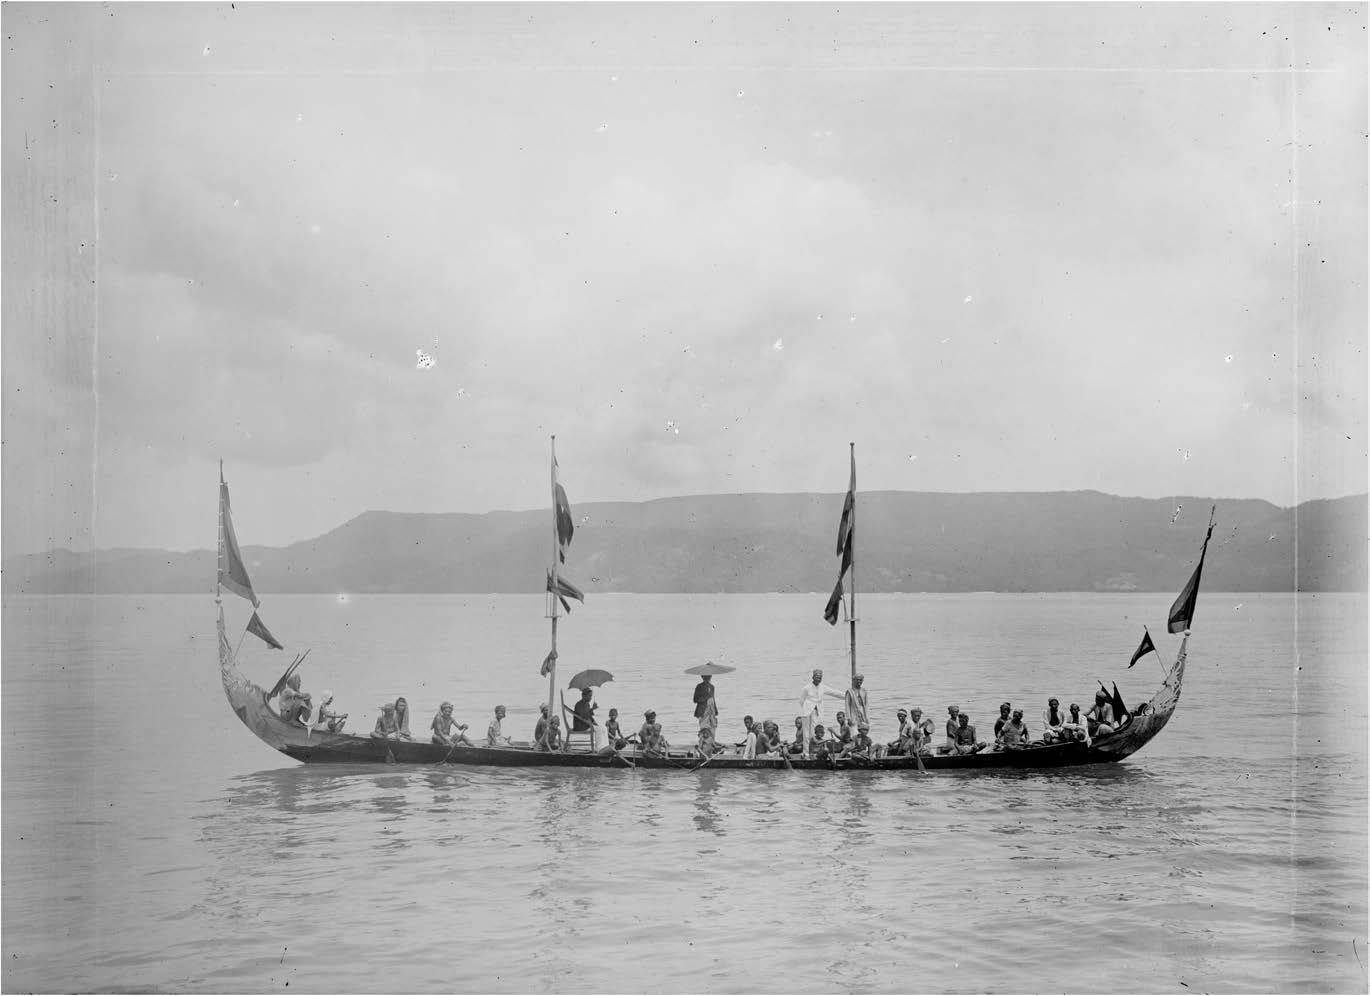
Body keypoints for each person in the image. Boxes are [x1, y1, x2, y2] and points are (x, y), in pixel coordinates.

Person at [797, 669, 843, 759]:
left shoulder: (823, 687)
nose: (818, 679)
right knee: (806, 733)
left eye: (820, 677)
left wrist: (847, 695)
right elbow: (801, 700)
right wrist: (807, 708)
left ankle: (815, 750)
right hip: (806, 711)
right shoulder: (807, 687)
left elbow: (834, 692)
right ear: (813, 677)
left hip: (816, 711)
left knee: (814, 731)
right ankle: (805, 753)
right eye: (817, 677)